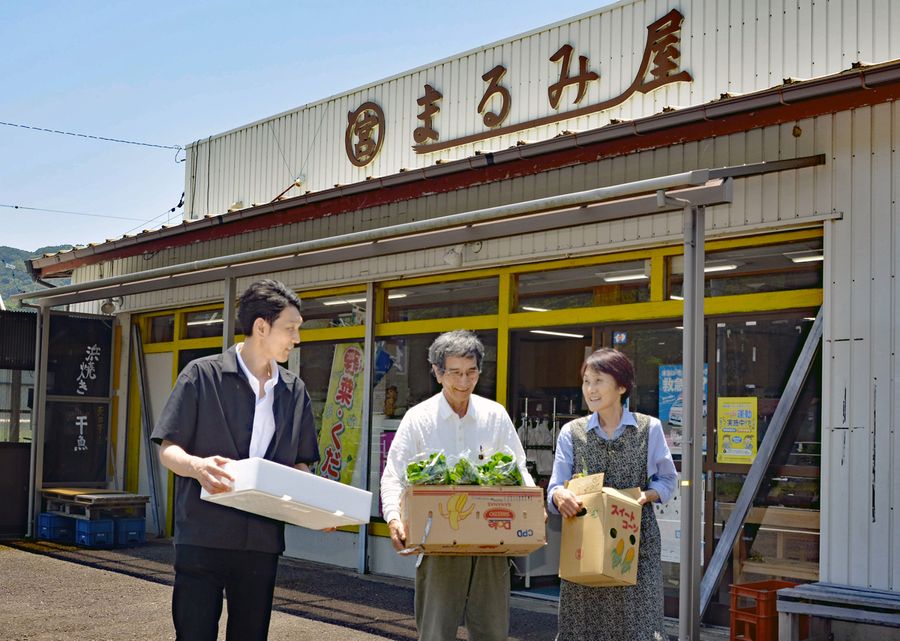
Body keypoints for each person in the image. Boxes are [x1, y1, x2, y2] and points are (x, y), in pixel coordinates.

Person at [151, 279, 319, 641]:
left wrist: (317, 507)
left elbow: (301, 465)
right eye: (290, 329)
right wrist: (197, 466)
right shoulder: (201, 374)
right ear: (262, 327)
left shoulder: (294, 391)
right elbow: (168, 449)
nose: (297, 338)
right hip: (202, 535)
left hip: (261, 541)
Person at [380, 330, 534, 641]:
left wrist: (531, 505)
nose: (464, 382)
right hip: (437, 543)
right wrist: (394, 518)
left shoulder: (495, 415)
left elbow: (519, 470)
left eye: (471, 372)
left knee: (492, 632)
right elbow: (393, 474)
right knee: (436, 632)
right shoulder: (418, 418)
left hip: (491, 540)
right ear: (437, 372)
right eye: (455, 373)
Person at [547, 348, 676, 641]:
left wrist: (646, 496)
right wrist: (559, 497)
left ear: (621, 386)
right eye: (586, 381)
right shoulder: (572, 432)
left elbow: (668, 480)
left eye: (599, 381)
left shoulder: (648, 428)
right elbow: (555, 486)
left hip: (635, 544)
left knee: (636, 626)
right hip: (585, 545)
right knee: (583, 626)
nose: (590, 390)